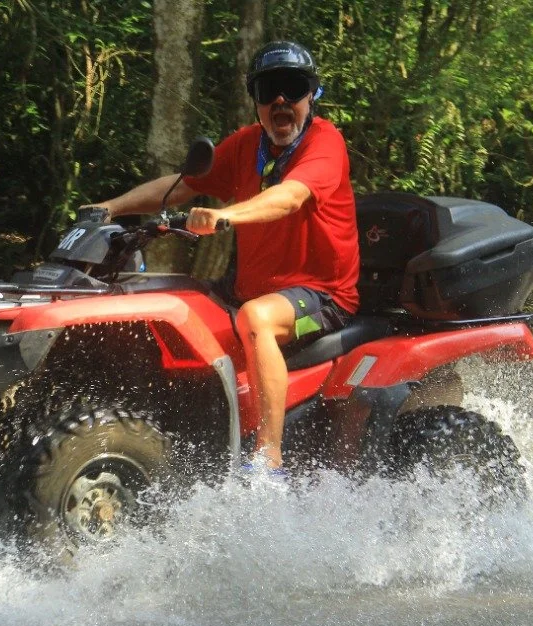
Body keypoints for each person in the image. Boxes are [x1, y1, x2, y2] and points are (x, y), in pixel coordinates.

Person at [90, 41, 359, 471]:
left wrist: (224, 215)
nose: (280, 102)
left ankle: (267, 458)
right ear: (255, 100)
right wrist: (111, 207)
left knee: (256, 319)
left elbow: (290, 197)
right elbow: (182, 186)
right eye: (269, 90)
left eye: (293, 88)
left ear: (312, 95)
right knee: (170, 306)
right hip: (248, 289)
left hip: (324, 300)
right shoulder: (247, 145)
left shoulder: (325, 143)